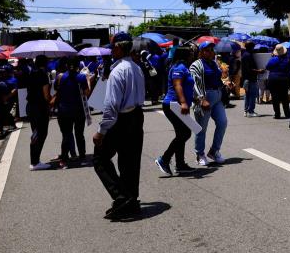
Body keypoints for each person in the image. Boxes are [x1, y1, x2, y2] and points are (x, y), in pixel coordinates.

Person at [92, 32, 146, 219]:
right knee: (130, 161)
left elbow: (111, 106)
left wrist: (101, 131)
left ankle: (122, 196)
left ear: (119, 47)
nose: (111, 51)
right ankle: (131, 198)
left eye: (113, 47)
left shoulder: (118, 71)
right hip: (137, 116)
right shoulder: (136, 68)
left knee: (99, 159)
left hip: (121, 119)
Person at [155, 46, 195, 176]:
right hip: (173, 105)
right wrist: (183, 102)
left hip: (178, 105)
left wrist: (195, 99)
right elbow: (177, 85)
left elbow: (186, 87)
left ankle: (180, 164)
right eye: (190, 54)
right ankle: (164, 159)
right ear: (184, 55)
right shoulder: (179, 68)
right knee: (185, 133)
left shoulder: (183, 67)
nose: (192, 56)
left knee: (181, 134)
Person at [191, 41, 227, 165]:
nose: (211, 52)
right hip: (204, 98)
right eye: (207, 50)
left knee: (222, 123)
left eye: (212, 49)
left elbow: (217, 79)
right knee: (201, 128)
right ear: (201, 52)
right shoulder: (196, 64)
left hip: (217, 97)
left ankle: (214, 151)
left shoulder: (214, 63)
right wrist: (201, 99)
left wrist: (225, 85)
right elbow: (194, 83)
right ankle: (199, 154)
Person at [53, 57, 90, 165]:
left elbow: (56, 89)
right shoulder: (82, 77)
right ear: (78, 66)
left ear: (66, 66)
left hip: (64, 110)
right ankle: (82, 156)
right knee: (79, 134)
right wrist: (88, 80)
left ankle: (64, 158)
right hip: (79, 110)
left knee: (66, 134)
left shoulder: (60, 77)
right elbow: (86, 93)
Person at [27, 56, 53, 171]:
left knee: (36, 132)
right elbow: (46, 95)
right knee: (41, 133)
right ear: (45, 63)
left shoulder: (31, 73)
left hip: (31, 106)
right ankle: (35, 162)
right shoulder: (43, 75)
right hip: (40, 107)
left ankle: (35, 161)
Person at [265, 45, 290, 119]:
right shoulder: (287, 60)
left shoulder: (273, 59)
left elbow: (267, 67)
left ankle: (277, 114)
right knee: (284, 97)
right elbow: (289, 69)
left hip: (273, 79)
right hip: (284, 79)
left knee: (275, 97)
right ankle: (287, 114)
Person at [241, 41, 263, 117]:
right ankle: (250, 111)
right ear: (250, 47)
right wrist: (258, 71)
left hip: (246, 78)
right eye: (253, 47)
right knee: (252, 95)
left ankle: (246, 111)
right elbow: (249, 69)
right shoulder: (248, 55)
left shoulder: (245, 55)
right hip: (250, 78)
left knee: (247, 95)